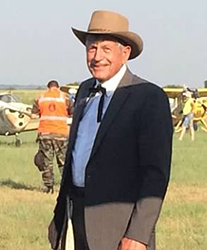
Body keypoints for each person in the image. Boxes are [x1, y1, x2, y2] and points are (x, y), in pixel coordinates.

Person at [48, 10, 173, 250]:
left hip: (120, 229)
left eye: (106, 49)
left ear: (125, 52)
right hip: (75, 221)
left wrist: (138, 234)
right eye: (91, 48)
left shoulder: (148, 97)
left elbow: (156, 174)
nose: (96, 57)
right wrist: (59, 218)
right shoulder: (84, 91)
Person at [32, 80, 73, 194]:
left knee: (47, 162)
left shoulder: (40, 98)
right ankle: (66, 186)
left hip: (45, 134)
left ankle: (49, 187)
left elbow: (34, 115)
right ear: (58, 87)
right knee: (63, 162)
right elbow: (72, 113)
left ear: (47, 88)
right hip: (61, 134)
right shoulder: (65, 98)